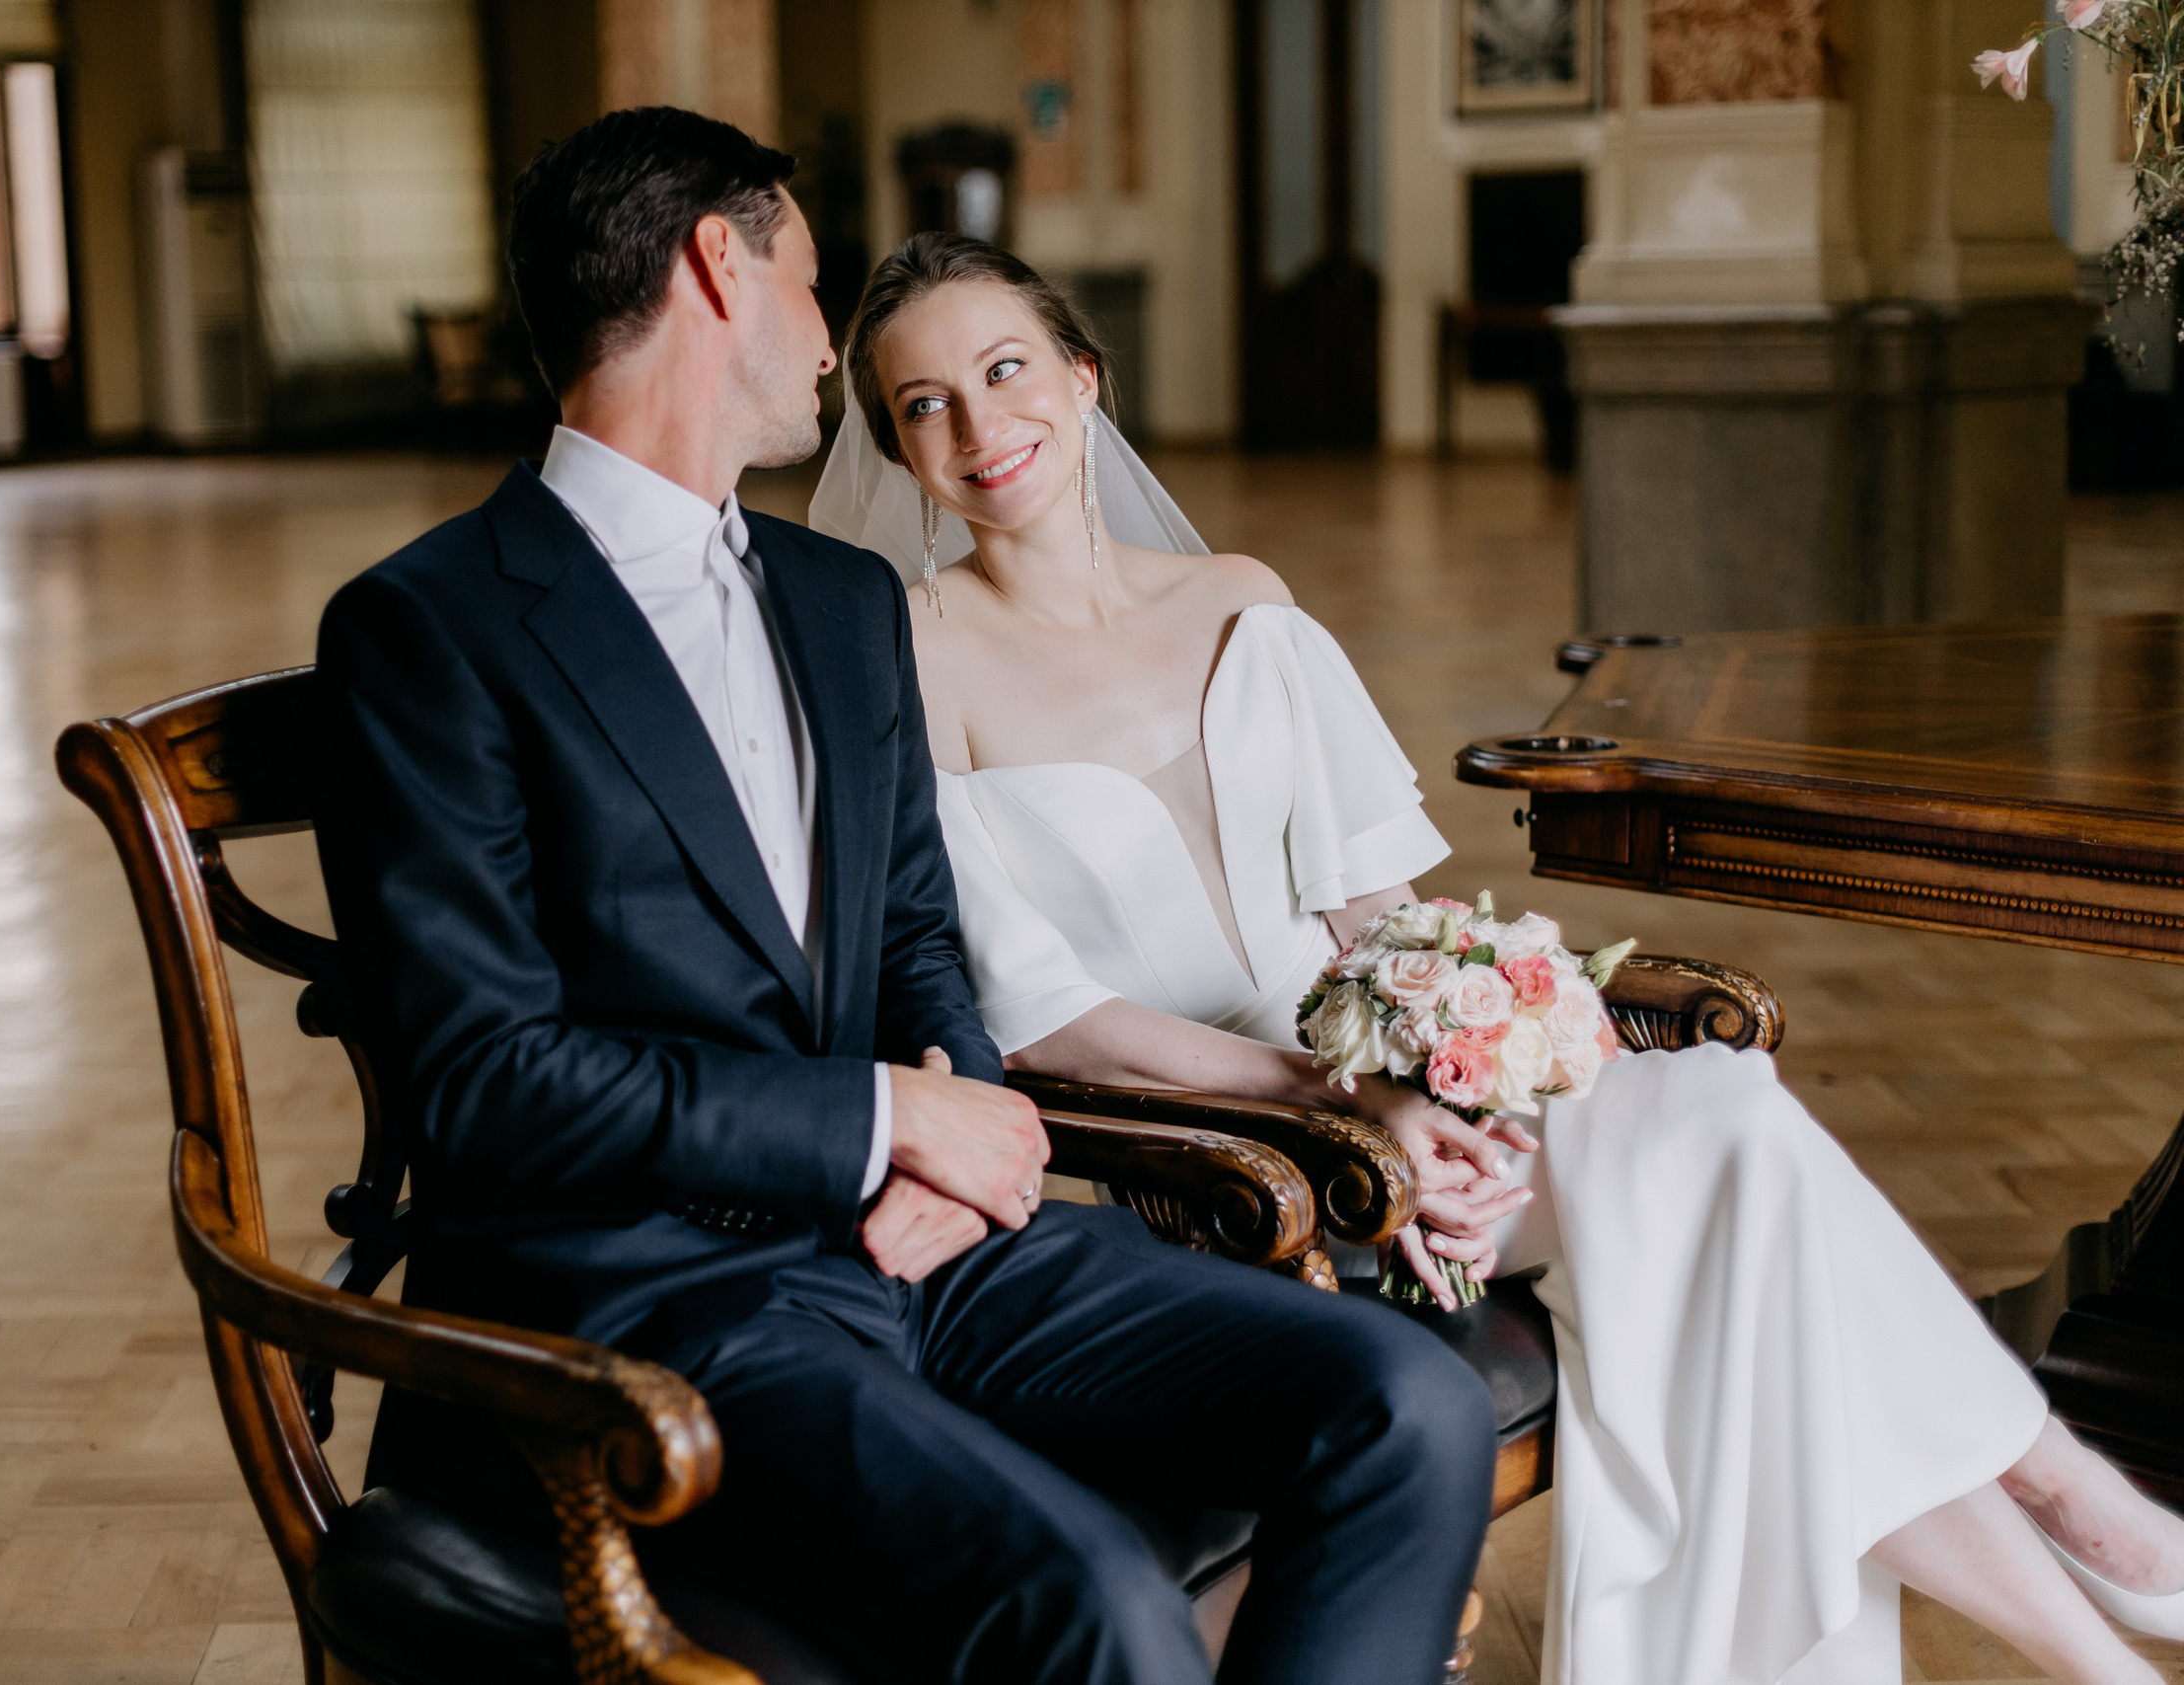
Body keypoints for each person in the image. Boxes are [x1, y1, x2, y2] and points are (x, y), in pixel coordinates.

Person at [809, 230, 2184, 1685]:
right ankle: (2081, 1518)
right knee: (1727, 1160)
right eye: (924, 404)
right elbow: (1046, 1021)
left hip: (1402, 1101)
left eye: (1005, 368)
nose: (979, 424)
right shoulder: (908, 662)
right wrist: (1336, 1105)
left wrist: (1456, 1057)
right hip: (1224, 1168)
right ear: (897, 452)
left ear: (1085, 377)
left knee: (1722, 1147)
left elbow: (1380, 918)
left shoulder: (1237, 599)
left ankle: (2098, 1631)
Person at [312, 110, 1498, 1685]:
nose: (829, 344)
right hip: (652, 1306)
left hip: (933, 1252)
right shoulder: (430, 626)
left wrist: (964, 1120)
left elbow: (919, 938)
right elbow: (485, 1083)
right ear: (718, 266)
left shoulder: (840, 597)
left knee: (1408, 1405)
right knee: (1097, 1602)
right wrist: (880, 1120)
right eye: (811, 284)